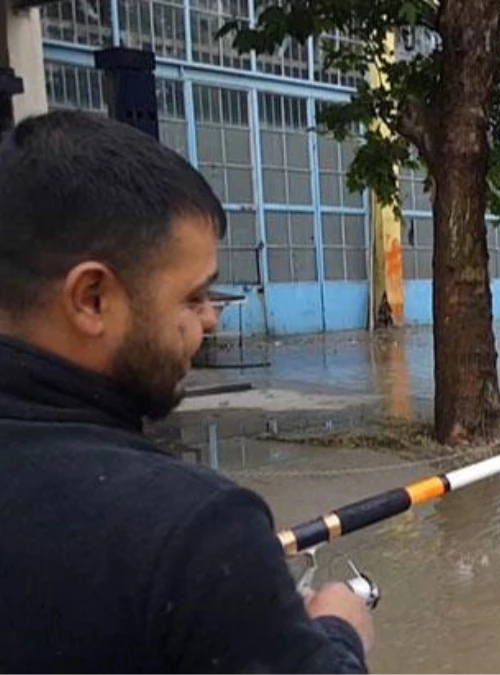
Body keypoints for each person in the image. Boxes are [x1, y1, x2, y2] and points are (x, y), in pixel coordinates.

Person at [0, 111, 373, 673]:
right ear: (93, 298)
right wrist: (340, 631)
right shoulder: (198, 531)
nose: (211, 321)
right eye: (193, 297)